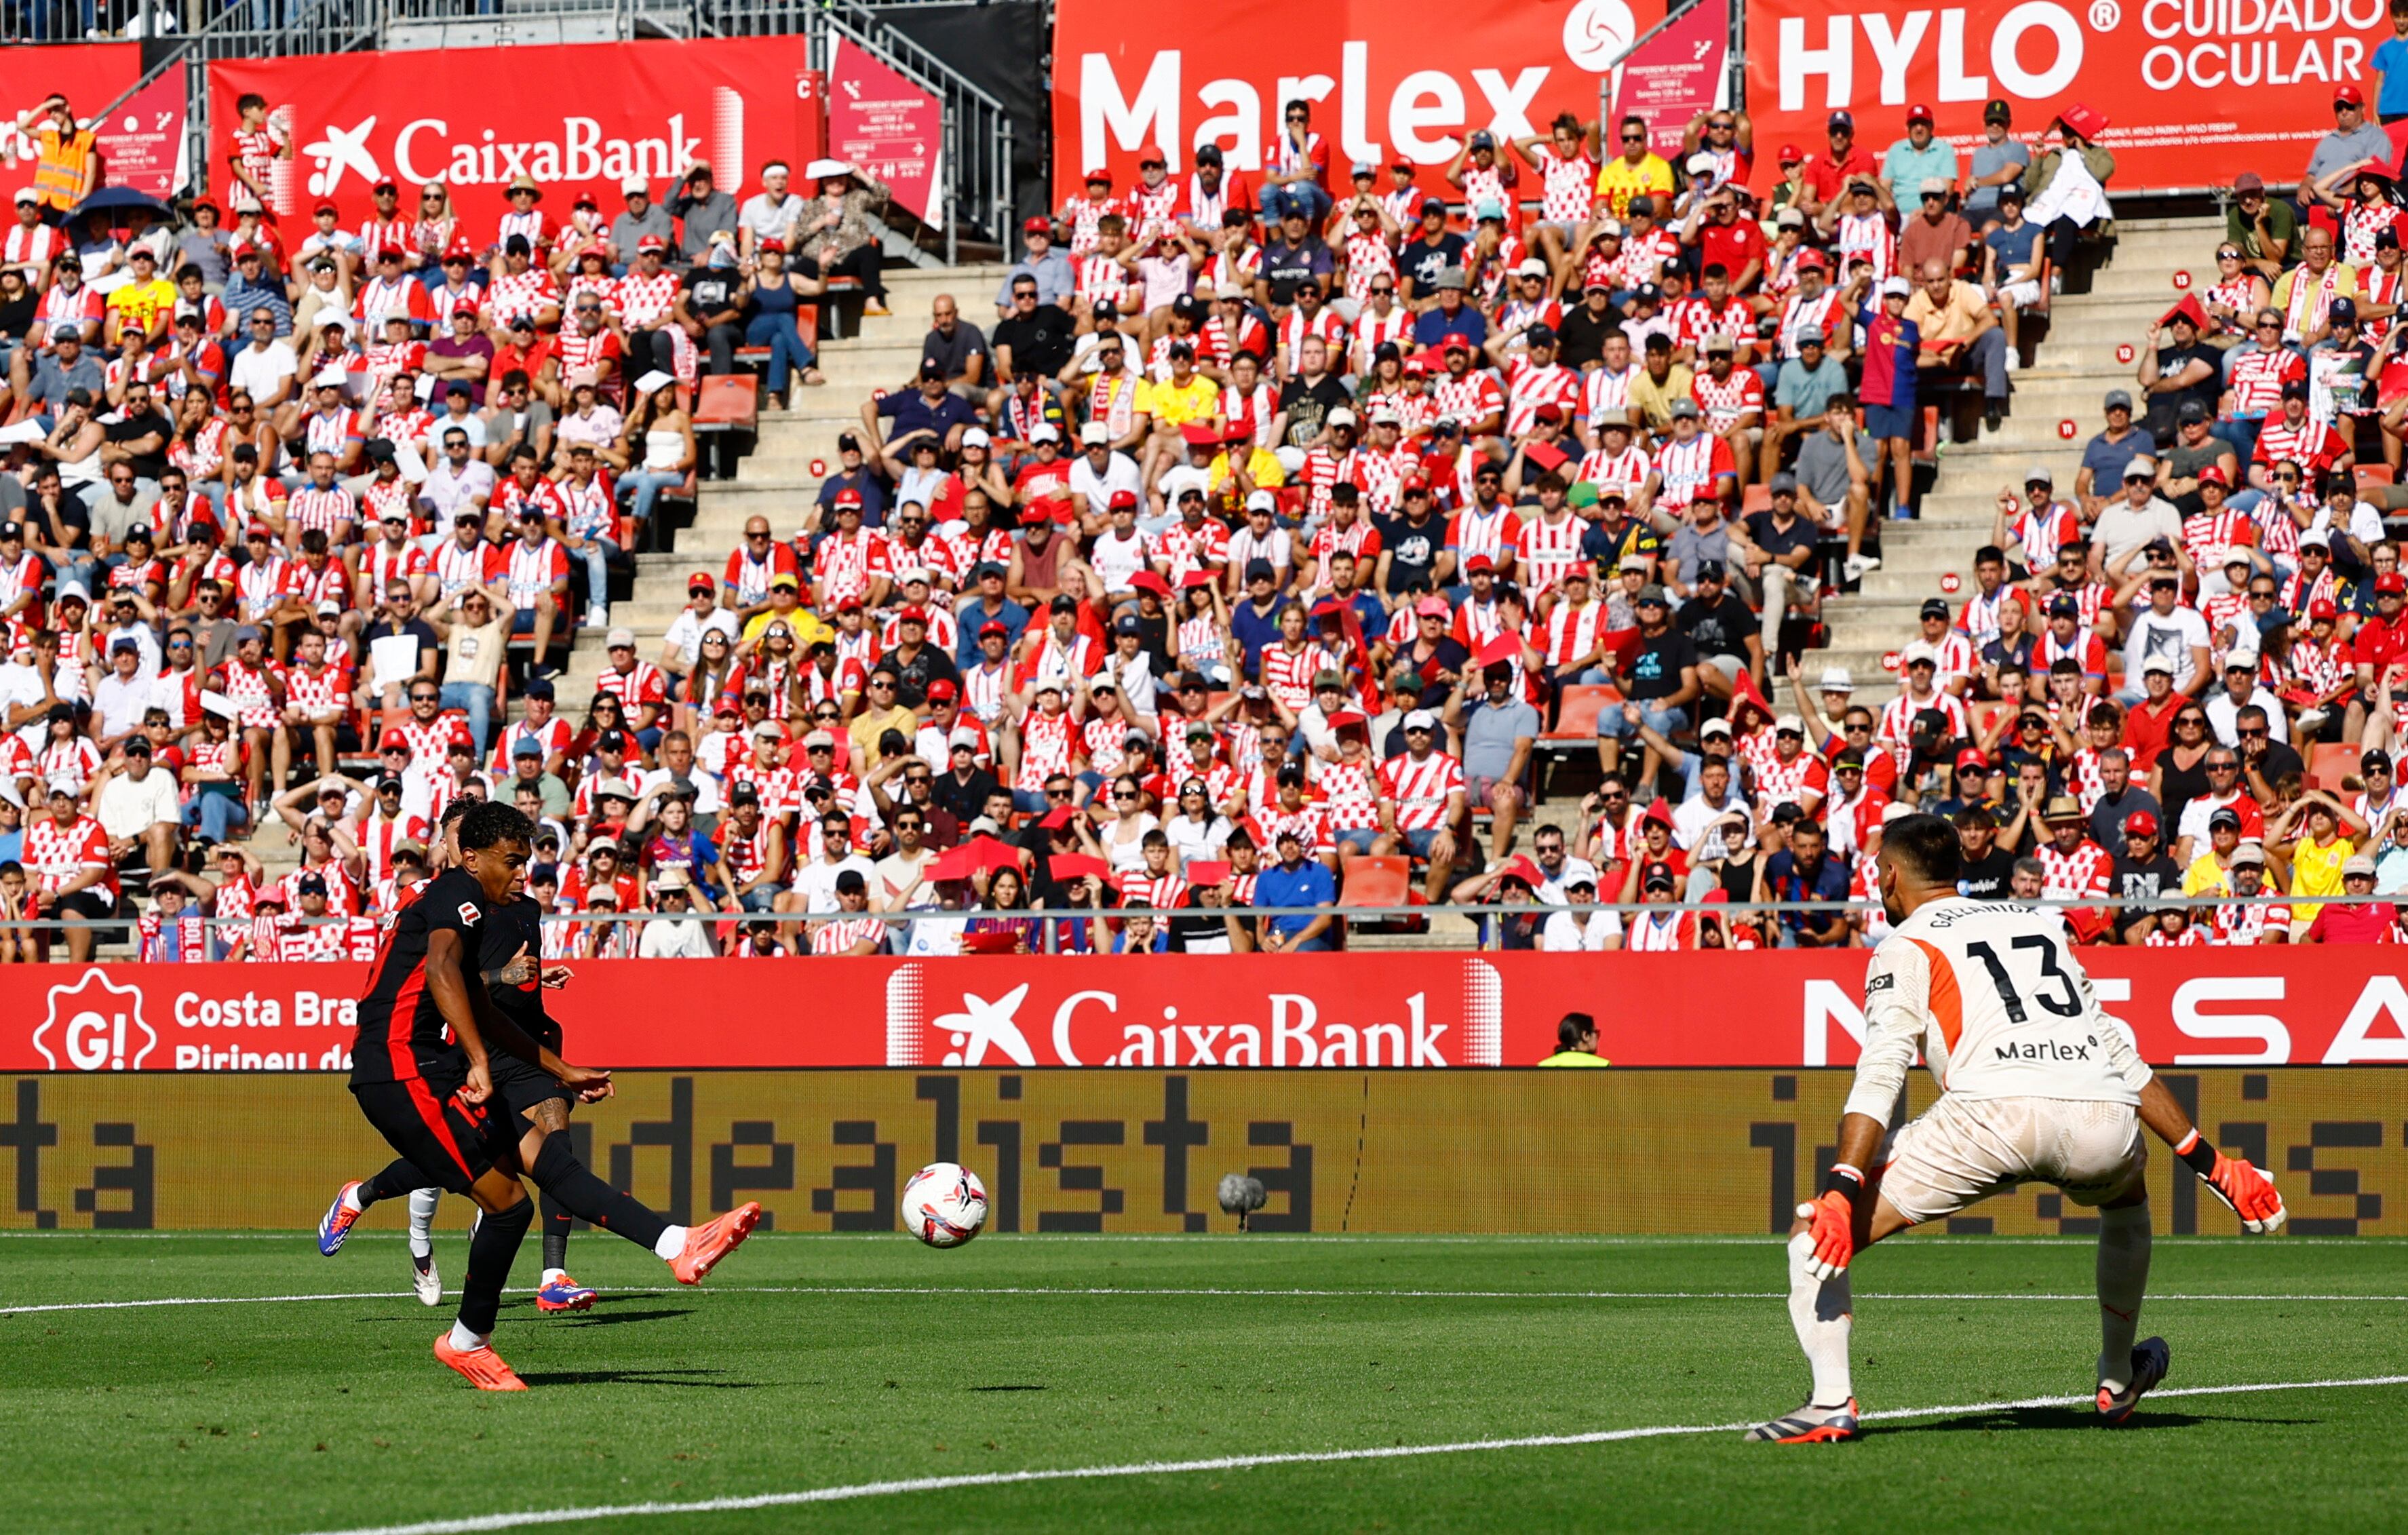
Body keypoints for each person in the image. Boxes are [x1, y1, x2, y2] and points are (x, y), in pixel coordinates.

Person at [1745, 812, 2288, 1443]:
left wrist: (1841, 1185)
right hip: (2100, 1116)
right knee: (2126, 1201)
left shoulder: (1904, 942)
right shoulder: (2038, 923)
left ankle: (1832, 1400)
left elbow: (1882, 1069)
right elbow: (2116, 1049)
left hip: (1989, 1117)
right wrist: (2209, 1161)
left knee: (1813, 1236)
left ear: (1891, 876)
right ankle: (2116, 1376)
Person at [317, 802, 762, 1391]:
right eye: (512, 860)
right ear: (471, 858)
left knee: (551, 1162)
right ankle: (465, 1340)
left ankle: (676, 1243)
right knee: (509, 1206)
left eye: (526, 860)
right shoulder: (457, 891)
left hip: (429, 1062)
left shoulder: (475, 903)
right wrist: (478, 1060)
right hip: (400, 1069)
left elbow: (477, 1002)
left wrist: (562, 1067)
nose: (523, 872)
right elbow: (444, 972)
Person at [1535, 1010, 1610, 1067]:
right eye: (1596, 1033)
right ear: (1585, 1036)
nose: (1597, 1038)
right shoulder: (1602, 1066)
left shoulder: (1544, 1066)